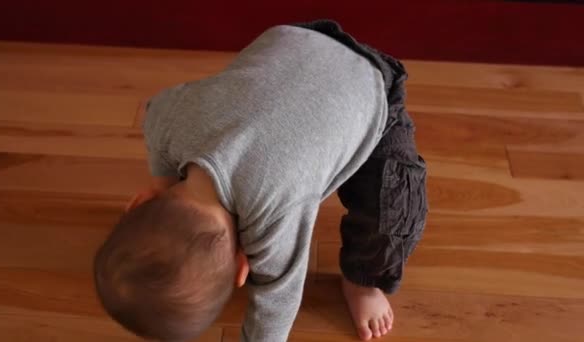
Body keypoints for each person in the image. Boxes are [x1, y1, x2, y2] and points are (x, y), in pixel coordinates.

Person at [93, 19, 428, 342]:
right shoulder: (169, 127)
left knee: (392, 213)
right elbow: (155, 110)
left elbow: (278, 297)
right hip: (294, 39)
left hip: (371, 87)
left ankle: (364, 282)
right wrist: (163, 182)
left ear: (244, 268)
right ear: (139, 201)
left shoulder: (275, 212)